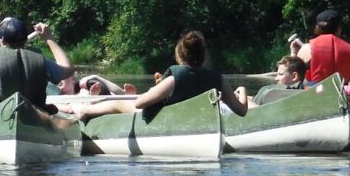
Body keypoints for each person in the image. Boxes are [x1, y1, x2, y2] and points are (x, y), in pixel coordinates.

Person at [70, 30, 248, 121]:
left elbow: (139, 104)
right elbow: (241, 111)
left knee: (117, 103)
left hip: (172, 121)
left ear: (180, 56)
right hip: (200, 123)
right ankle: (86, 108)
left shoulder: (173, 79)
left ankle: (84, 110)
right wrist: (242, 91)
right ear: (204, 56)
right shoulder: (219, 79)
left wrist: (156, 89)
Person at [290, 9, 350, 85]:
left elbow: (291, 79)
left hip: (314, 94)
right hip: (340, 94)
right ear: (339, 28)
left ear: (317, 28)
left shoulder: (306, 49)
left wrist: (293, 54)